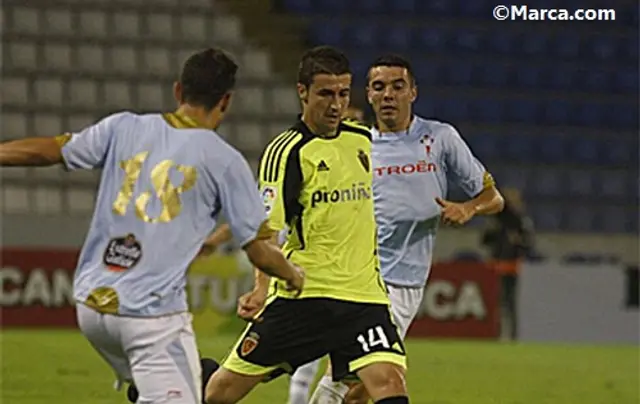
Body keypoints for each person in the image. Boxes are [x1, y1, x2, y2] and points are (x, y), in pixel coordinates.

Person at [0, 47, 304, 404]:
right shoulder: (224, 160)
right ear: (225, 101)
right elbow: (258, 250)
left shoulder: (123, 126)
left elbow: (50, 150)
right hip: (149, 316)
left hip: (90, 307)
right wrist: (293, 275)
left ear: (178, 91)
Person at [203, 46, 411, 404]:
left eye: (343, 94)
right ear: (303, 92)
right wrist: (261, 287)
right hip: (305, 297)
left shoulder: (363, 140)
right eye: (326, 94)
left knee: (387, 383)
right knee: (219, 394)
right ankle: (170, 386)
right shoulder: (286, 153)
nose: (336, 105)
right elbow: (265, 231)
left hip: (365, 298)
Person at [303, 54, 505, 404]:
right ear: (367, 94)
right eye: (379, 87)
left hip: (406, 283)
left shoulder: (440, 138)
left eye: (398, 86)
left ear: (413, 92)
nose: (388, 95)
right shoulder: (354, 142)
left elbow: (494, 197)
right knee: (356, 379)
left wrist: (468, 207)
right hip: (359, 279)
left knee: (359, 389)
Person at [481, 187, 535, 341]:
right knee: (496, 303)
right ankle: (496, 334)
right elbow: (485, 241)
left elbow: (529, 243)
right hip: (496, 265)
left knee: (509, 303)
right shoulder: (497, 220)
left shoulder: (520, 221)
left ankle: (512, 335)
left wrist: (518, 242)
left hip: (511, 265)